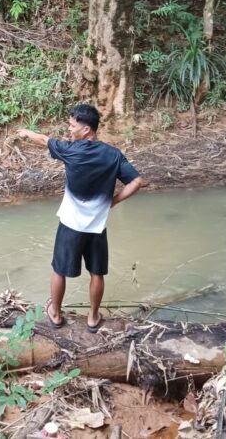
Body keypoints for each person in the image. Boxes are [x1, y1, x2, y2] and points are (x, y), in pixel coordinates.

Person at [18, 104, 143, 332]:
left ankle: (55, 314)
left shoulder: (71, 150)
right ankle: (93, 318)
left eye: (73, 126)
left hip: (70, 224)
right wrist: (112, 202)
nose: (69, 129)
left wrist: (26, 133)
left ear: (86, 130)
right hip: (97, 226)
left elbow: (43, 140)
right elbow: (136, 182)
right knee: (97, 272)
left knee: (59, 270)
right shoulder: (113, 155)